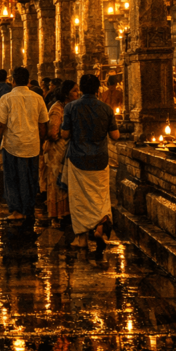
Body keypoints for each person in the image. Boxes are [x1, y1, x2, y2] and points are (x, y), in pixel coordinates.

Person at [61, 74, 119, 249]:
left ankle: (82, 239)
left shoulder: (71, 107)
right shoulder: (106, 109)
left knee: (79, 200)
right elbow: (115, 136)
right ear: (97, 89)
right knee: (101, 198)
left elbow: (64, 134)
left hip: (78, 159)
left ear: (80, 89)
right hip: (100, 159)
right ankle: (100, 227)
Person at [0, 66, 48, 228]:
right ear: (28, 81)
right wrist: (41, 141)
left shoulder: (6, 99)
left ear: (13, 81)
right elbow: (43, 125)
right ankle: (28, 209)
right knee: (30, 179)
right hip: (32, 146)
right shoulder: (38, 98)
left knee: (13, 179)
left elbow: (0, 125)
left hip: (12, 146)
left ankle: (16, 210)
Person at [44, 79, 77, 225]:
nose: (78, 93)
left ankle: (65, 212)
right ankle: (55, 214)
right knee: (57, 181)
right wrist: (66, 135)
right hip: (57, 150)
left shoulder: (70, 107)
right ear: (66, 94)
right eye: (75, 91)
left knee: (65, 181)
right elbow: (52, 132)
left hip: (67, 150)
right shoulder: (57, 109)